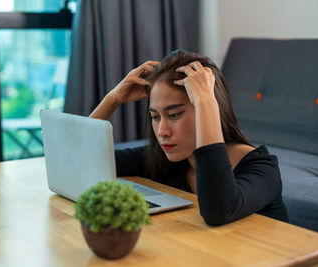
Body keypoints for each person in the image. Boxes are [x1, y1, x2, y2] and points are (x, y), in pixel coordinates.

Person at [90, 50, 288, 225]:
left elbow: (218, 211)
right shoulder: (165, 159)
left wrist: (205, 100)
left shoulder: (262, 168)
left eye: (174, 115)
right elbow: (83, 162)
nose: (161, 131)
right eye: (155, 117)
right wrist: (113, 98)